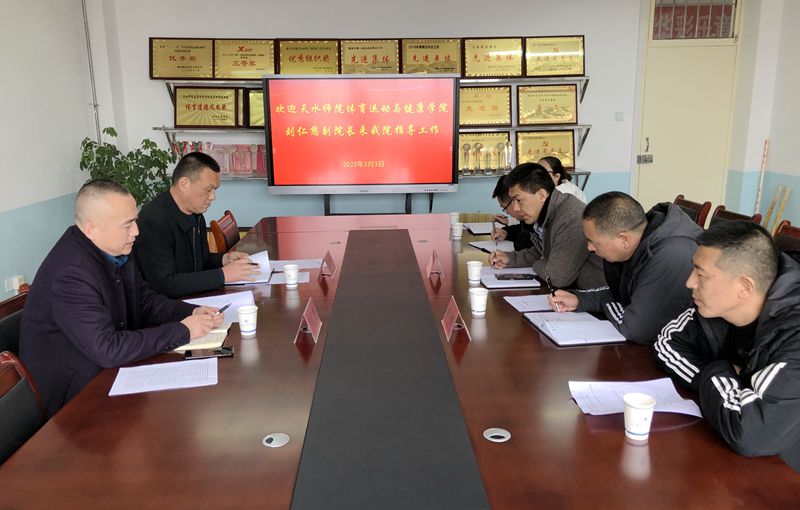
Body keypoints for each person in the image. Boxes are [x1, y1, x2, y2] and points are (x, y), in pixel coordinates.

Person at [19, 180, 222, 417]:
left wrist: (190, 312)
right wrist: (183, 331)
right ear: (91, 229)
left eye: (135, 221)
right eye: (127, 225)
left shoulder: (115, 248)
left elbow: (145, 301)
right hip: (73, 403)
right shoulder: (71, 274)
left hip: (109, 375)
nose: (136, 231)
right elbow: (108, 349)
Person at [653, 222, 800, 471]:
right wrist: (730, 383)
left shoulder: (793, 335)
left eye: (701, 275)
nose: (689, 282)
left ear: (744, 287)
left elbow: (750, 433)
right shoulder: (717, 306)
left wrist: (717, 373)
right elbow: (666, 343)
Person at [548, 191, 701, 344]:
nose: (589, 248)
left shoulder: (670, 255)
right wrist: (580, 299)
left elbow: (635, 329)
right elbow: (622, 294)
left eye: (593, 242)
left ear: (624, 239)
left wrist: (603, 303)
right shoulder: (638, 243)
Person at [134, 152, 259, 298]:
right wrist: (223, 275)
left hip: (194, 297)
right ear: (184, 184)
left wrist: (225, 259)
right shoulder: (152, 221)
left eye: (215, 190)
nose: (213, 197)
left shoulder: (196, 215)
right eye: (208, 190)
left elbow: (201, 261)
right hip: (168, 305)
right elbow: (164, 285)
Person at [489, 163, 605, 289]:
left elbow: (556, 278)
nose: (516, 208)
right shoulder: (548, 212)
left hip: (595, 295)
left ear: (542, 195)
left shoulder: (570, 218)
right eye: (513, 201)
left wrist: (541, 263)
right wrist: (510, 258)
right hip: (573, 292)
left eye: (519, 200)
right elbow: (543, 251)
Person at [490, 174, 533, 251]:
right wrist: (506, 233)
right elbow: (521, 229)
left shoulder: (540, 221)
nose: (507, 213)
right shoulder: (527, 220)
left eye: (505, 208)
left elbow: (523, 244)